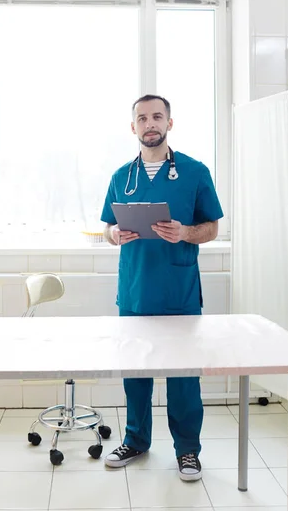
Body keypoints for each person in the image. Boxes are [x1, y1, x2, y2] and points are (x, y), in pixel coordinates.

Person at [100, 94, 223, 481]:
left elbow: (212, 228)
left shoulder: (195, 172)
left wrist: (186, 232)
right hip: (135, 292)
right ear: (132, 127)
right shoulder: (122, 177)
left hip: (179, 292)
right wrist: (114, 235)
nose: (149, 123)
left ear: (170, 123)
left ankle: (188, 451)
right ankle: (136, 440)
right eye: (142, 118)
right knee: (135, 374)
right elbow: (105, 229)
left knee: (184, 377)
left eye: (157, 117)